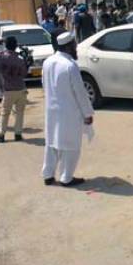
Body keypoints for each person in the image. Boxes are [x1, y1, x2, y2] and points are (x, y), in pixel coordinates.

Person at [41, 32, 94, 187]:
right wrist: (87, 113)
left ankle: (48, 175)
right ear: (70, 46)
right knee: (71, 146)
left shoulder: (47, 62)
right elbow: (80, 93)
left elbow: (45, 85)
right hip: (69, 113)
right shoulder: (70, 66)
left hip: (51, 110)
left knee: (52, 143)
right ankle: (66, 177)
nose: (76, 48)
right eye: (75, 45)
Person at [0, 36, 28, 143]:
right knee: (19, 113)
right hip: (20, 88)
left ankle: (1, 134)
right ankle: (18, 134)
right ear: (16, 46)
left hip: (7, 90)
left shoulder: (1, 56)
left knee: (4, 113)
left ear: (6, 46)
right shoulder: (20, 60)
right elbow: (24, 74)